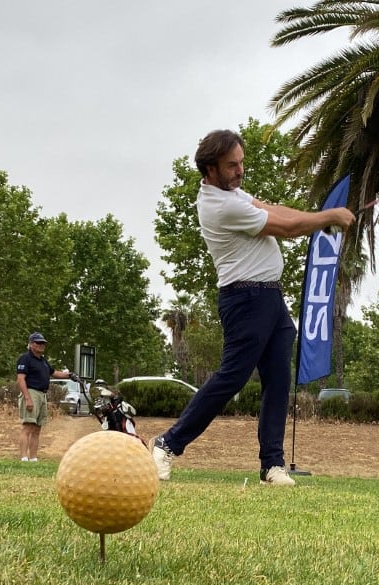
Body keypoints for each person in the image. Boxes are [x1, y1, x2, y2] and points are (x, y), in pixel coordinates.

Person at [151, 129, 355, 486]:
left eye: (241, 162)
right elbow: (287, 227)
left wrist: (323, 214)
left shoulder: (231, 191)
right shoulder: (221, 205)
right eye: (232, 165)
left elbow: (272, 210)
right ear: (210, 169)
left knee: (278, 380)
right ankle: (168, 444)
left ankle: (271, 464)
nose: (240, 170)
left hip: (270, 299)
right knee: (231, 377)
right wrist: (328, 218)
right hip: (244, 299)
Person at [16, 331, 76, 461]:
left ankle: (33, 458)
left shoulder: (43, 361)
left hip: (42, 394)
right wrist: (27, 398)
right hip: (31, 392)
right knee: (28, 426)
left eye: (43, 343)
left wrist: (70, 375)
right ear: (31, 344)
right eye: (39, 343)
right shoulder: (25, 358)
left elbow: (54, 373)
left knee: (37, 428)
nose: (42, 345)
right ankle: (23, 457)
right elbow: (21, 379)